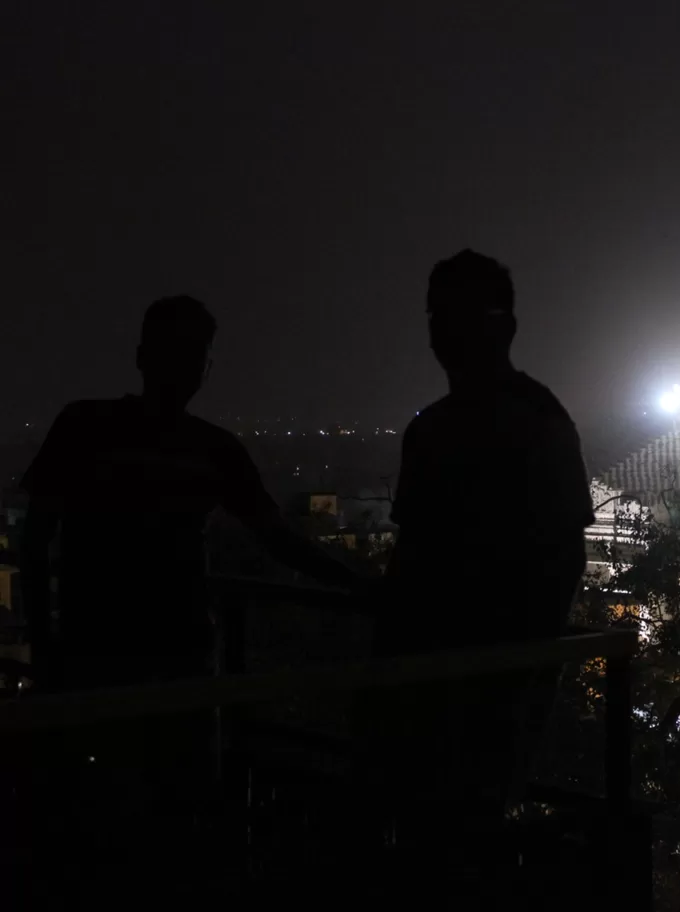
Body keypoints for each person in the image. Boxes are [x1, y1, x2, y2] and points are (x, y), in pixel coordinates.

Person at [18, 296, 361, 898]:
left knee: (114, 822)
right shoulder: (206, 448)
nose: (187, 367)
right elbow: (278, 539)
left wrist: (47, 646)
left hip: (120, 659)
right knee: (160, 821)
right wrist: (359, 585)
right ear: (150, 357)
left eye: (193, 356)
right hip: (160, 664)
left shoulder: (90, 426)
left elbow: (37, 537)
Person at [361, 250, 593, 877]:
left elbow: (560, 557)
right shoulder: (438, 428)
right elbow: (414, 560)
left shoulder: (532, 423)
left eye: (463, 316)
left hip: (489, 679)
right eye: (438, 315)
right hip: (440, 675)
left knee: (460, 845)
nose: (444, 331)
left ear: (504, 326)